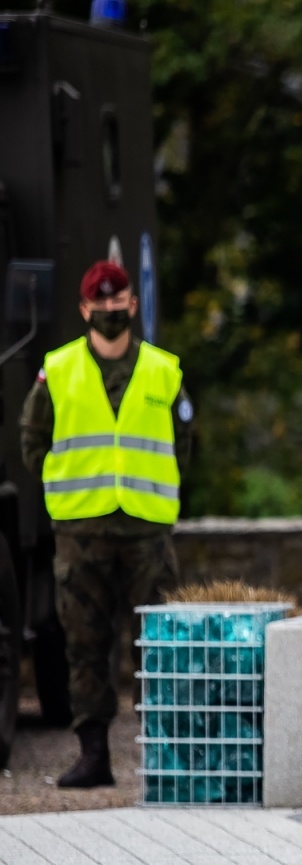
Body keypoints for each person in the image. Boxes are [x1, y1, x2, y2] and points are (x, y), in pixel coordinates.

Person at [21, 261, 191, 788]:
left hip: (145, 534)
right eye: (101, 307)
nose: (111, 314)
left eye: (119, 307)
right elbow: (33, 444)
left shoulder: (165, 370)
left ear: (133, 307)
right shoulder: (59, 369)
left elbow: (184, 444)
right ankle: (94, 757)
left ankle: (162, 758)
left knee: (157, 647)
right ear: (84, 309)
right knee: (85, 647)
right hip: (82, 532)